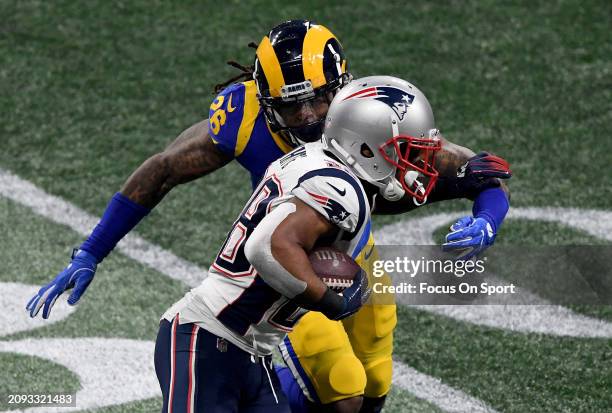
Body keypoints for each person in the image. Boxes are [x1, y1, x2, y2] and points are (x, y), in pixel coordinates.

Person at [26, 17, 511, 412]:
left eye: (317, 100)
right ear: (264, 97)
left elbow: (473, 170)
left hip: (350, 256)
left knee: (374, 377)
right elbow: (164, 170)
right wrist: (92, 250)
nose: (306, 116)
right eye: (291, 104)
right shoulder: (249, 119)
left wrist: (488, 215)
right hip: (291, 262)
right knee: (343, 382)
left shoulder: (369, 118)